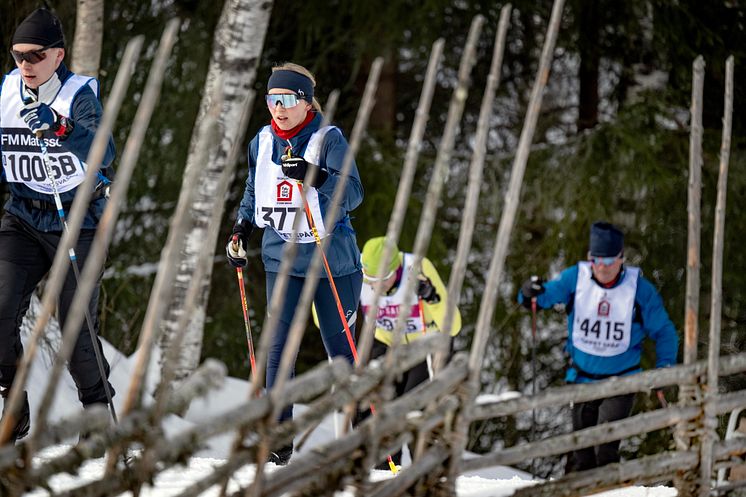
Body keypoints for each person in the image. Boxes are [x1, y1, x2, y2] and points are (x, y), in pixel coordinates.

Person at [225, 62, 363, 466]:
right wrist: (241, 228)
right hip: (282, 259)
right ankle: (278, 440)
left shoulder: (328, 139)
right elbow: (254, 188)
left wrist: (313, 175)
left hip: (332, 264)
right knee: (278, 352)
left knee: (342, 353)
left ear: (306, 103)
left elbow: (353, 193)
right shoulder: (262, 141)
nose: (278, 108)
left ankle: (368, 442)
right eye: (272, 100)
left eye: (287, 100)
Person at [0, 8, 117, 443]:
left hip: (79, 218)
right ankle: (14, 407)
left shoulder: (79, 94)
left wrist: (61, 126)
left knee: (75, 324)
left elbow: (105, 151)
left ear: (58, 55)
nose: (26, 65)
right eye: (18, 56)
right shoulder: (8, 90)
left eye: (36, 55)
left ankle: (96, 413)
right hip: (24, 216)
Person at [518, 221, 678, 472]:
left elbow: (665, 331)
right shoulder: (576, 278)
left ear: (621, 259)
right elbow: (546, 295)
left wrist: (665, 366)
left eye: (608, 262)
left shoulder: (639, 290)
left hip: (621, 381)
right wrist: (529, 293)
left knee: (604, 445)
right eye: (596, 260)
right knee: (581, 450)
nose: (601, 268)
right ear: (589, 258)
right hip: (581, 379)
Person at [358, 236, 461, 468]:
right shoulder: (356, 271)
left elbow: (454, 325)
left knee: (416, 404)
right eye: (370, 279)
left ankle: (422, 468)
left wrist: (432, 298)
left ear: (396, 267)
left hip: (422, 346)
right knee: (379, 403)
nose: (376, 285)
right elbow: (324, 316)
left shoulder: (419, 267)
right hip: (386, 344)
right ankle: (383, 468)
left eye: (383, 279)